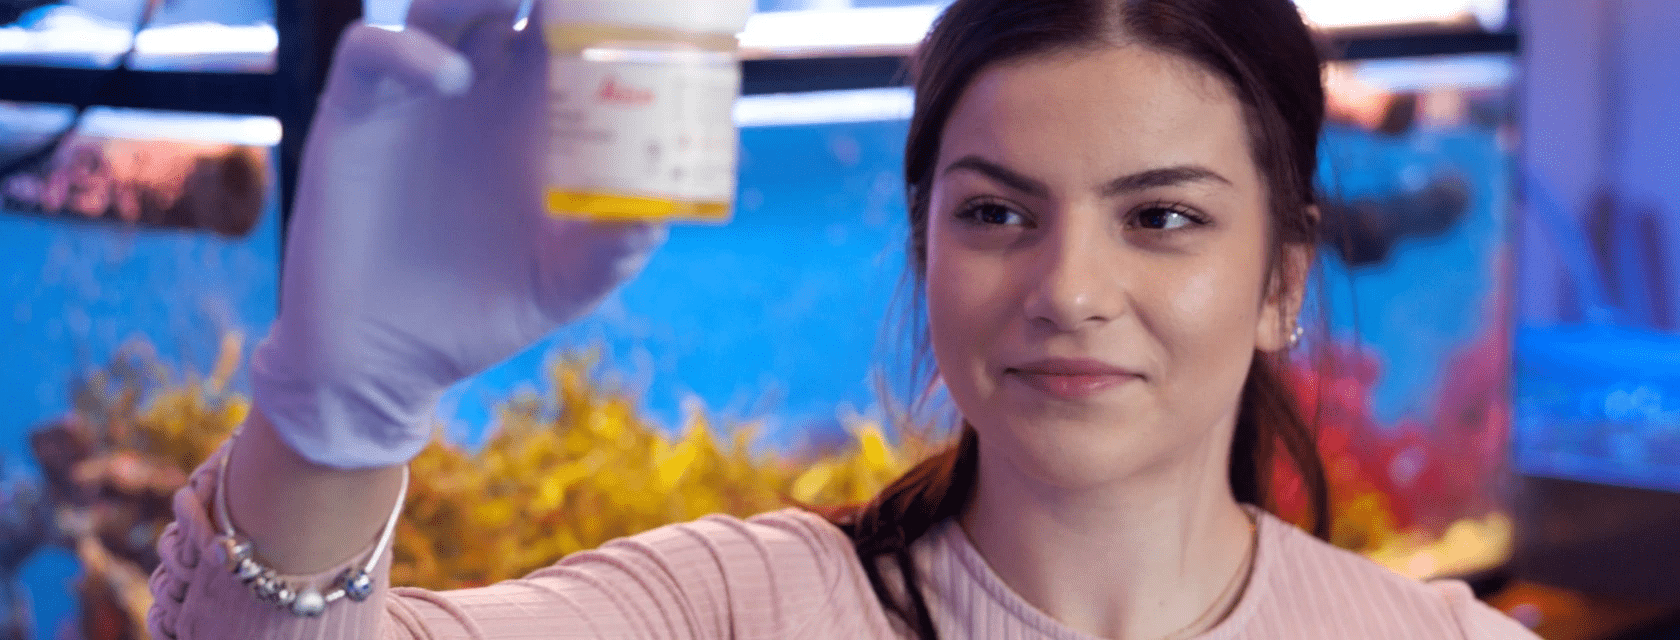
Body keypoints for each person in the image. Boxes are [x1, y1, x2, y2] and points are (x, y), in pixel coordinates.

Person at [146, 0, 1543, 638]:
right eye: (997, 212)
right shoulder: (732, 610)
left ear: (1285, 277)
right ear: (924, 242)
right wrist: (334, 408)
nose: (1067, 288)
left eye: (1161, 217)